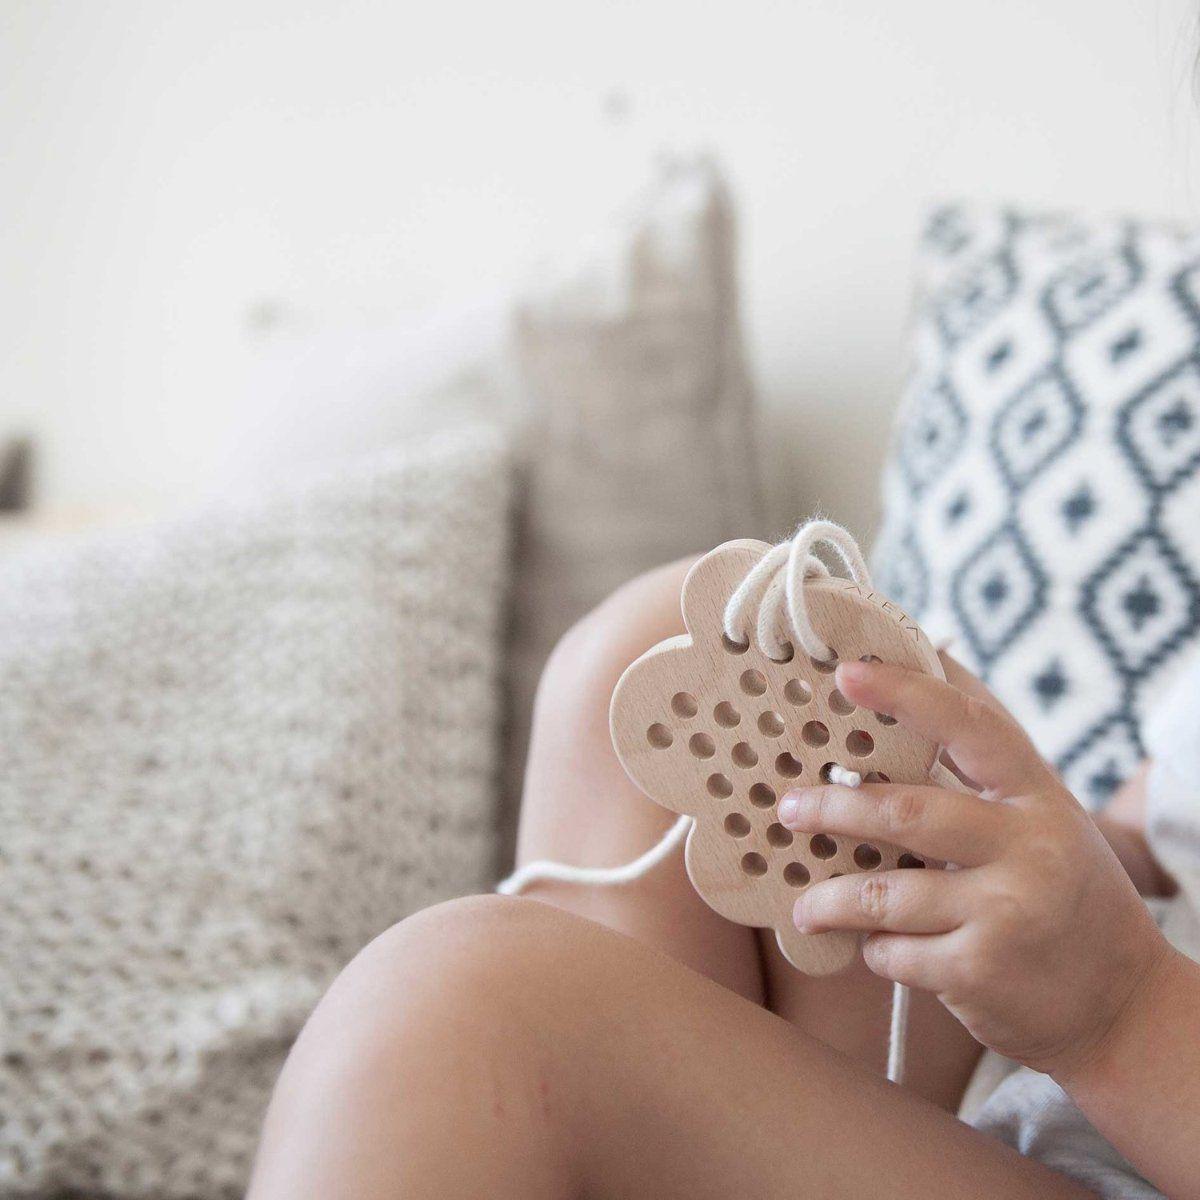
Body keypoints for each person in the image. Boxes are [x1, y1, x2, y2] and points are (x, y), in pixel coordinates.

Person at [247, 555, 1198, 1199]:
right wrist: (1013, 848)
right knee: (664, 650)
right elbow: (1154, 840)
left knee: (466, 1006)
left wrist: (1121, 1007)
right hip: (1064, 1079)